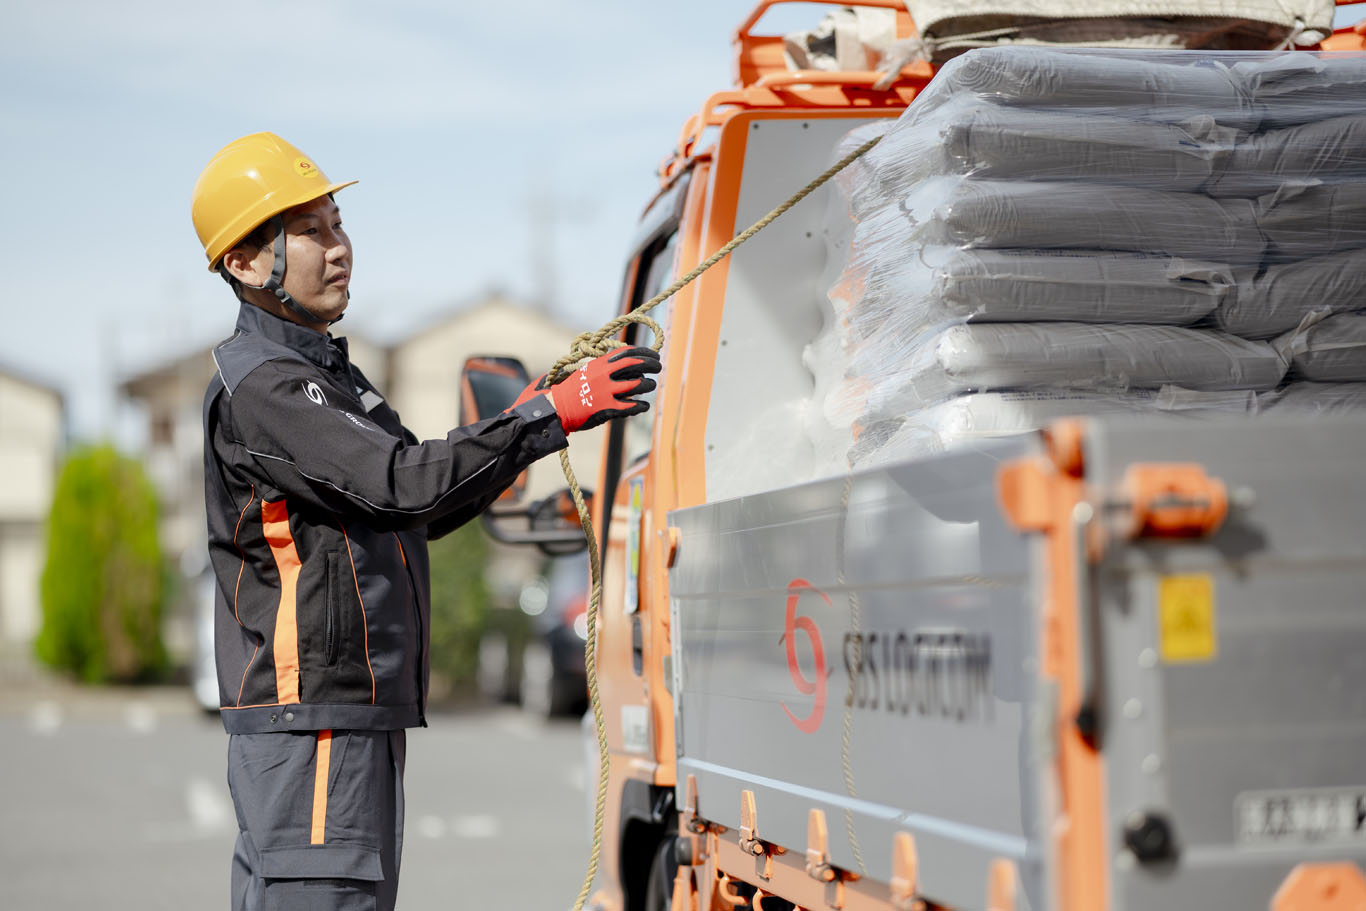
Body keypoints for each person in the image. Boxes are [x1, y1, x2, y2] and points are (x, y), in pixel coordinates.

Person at [191, 132, 660, 911]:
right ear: (244, 262)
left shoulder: (323, 376)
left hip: (340, 724)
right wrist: (546, 417)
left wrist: (521, 425)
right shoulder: (267, 386)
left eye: (338, 224)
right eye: (310, 231)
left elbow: (416, 502)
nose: (339, 248)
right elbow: (401, 482)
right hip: (313, 730)